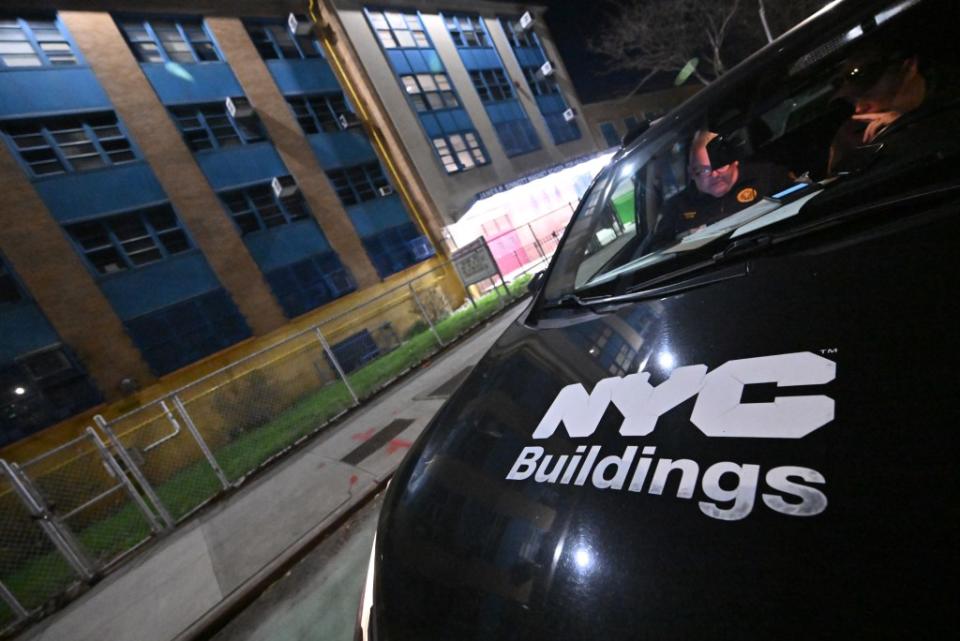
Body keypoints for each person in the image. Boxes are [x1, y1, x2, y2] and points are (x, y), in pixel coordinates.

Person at [652, 130, 792, 244]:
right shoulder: (676, 209)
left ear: (734, 161)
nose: (714, 174)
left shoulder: (768, 177)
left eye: (720, 164)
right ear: (691, 172)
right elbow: (659, 251)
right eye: (703, 170)